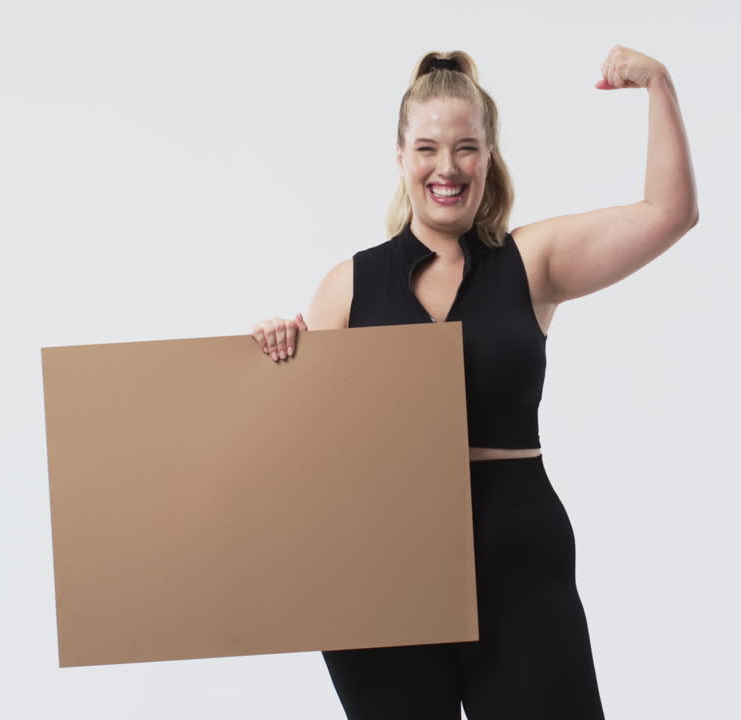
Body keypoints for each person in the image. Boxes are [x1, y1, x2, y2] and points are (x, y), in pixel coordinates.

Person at [249, 47, 698, 720]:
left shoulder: (533, 262)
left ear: (490, 157)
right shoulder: (346, 287)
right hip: (382, 562)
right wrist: (277, 354)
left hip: (517, 555)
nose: (447, 168)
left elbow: (670, 212)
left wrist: (658, 85)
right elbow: (304, 451)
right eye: (428, 148)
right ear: (401, 157)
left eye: (466, 148)